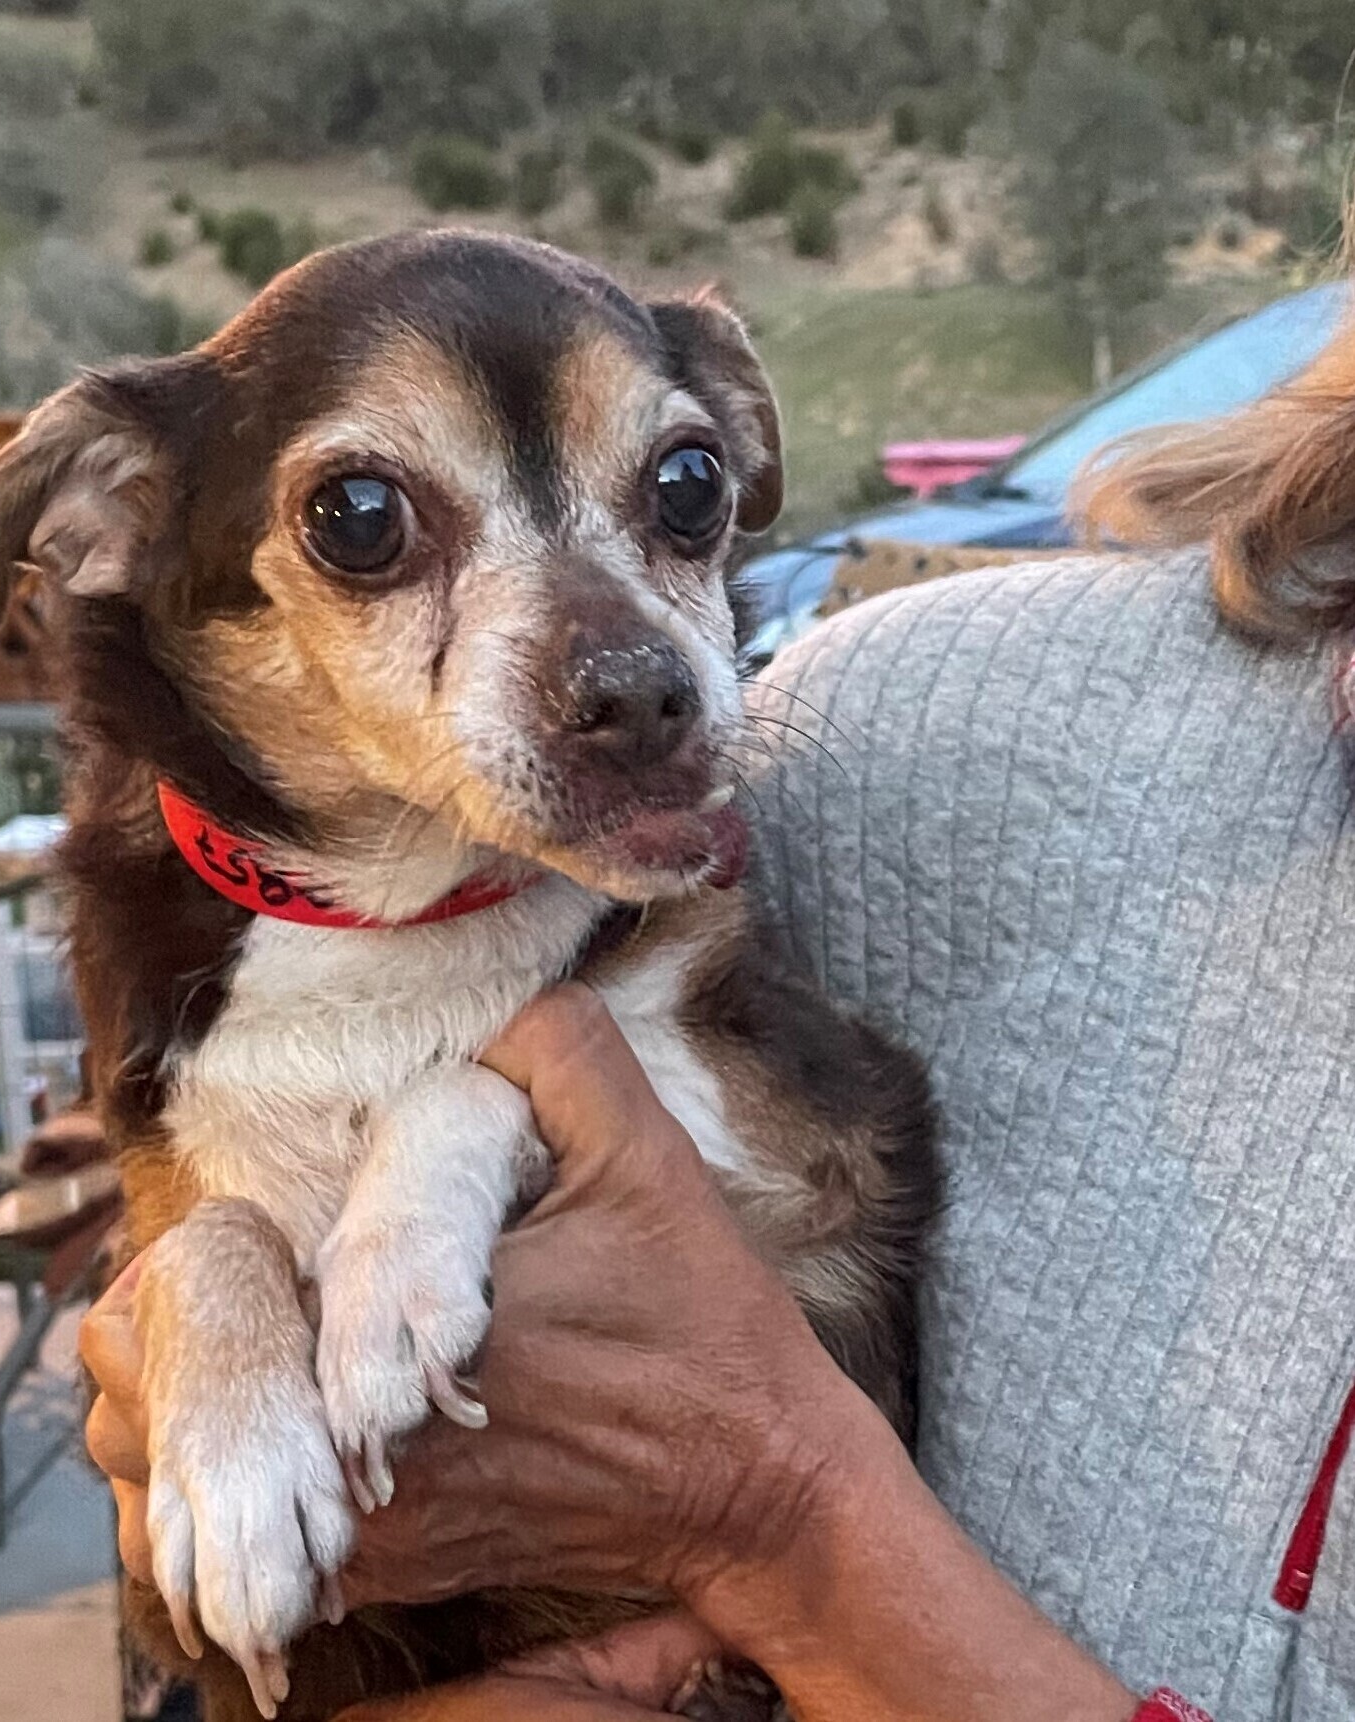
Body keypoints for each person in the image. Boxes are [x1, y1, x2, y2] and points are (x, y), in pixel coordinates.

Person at [80, 255, 1355, 1720]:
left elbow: (799, 1193)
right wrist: (201, 1298)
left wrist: (770, 1519)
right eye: (367, 522)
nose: (624, 668)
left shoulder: (745, 830)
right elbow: (193, 1574)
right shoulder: (888, 738)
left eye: (677, 494)